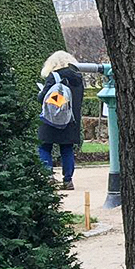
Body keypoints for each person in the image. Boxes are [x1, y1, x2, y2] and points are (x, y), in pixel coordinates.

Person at [37, 50, 85, 190]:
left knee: (44, 147)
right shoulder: (78, 78)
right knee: (67, 149)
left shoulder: (54, 76)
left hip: (51, 119)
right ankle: (68, 180)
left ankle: (48, 176)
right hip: (71, 121)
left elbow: (42, 98)